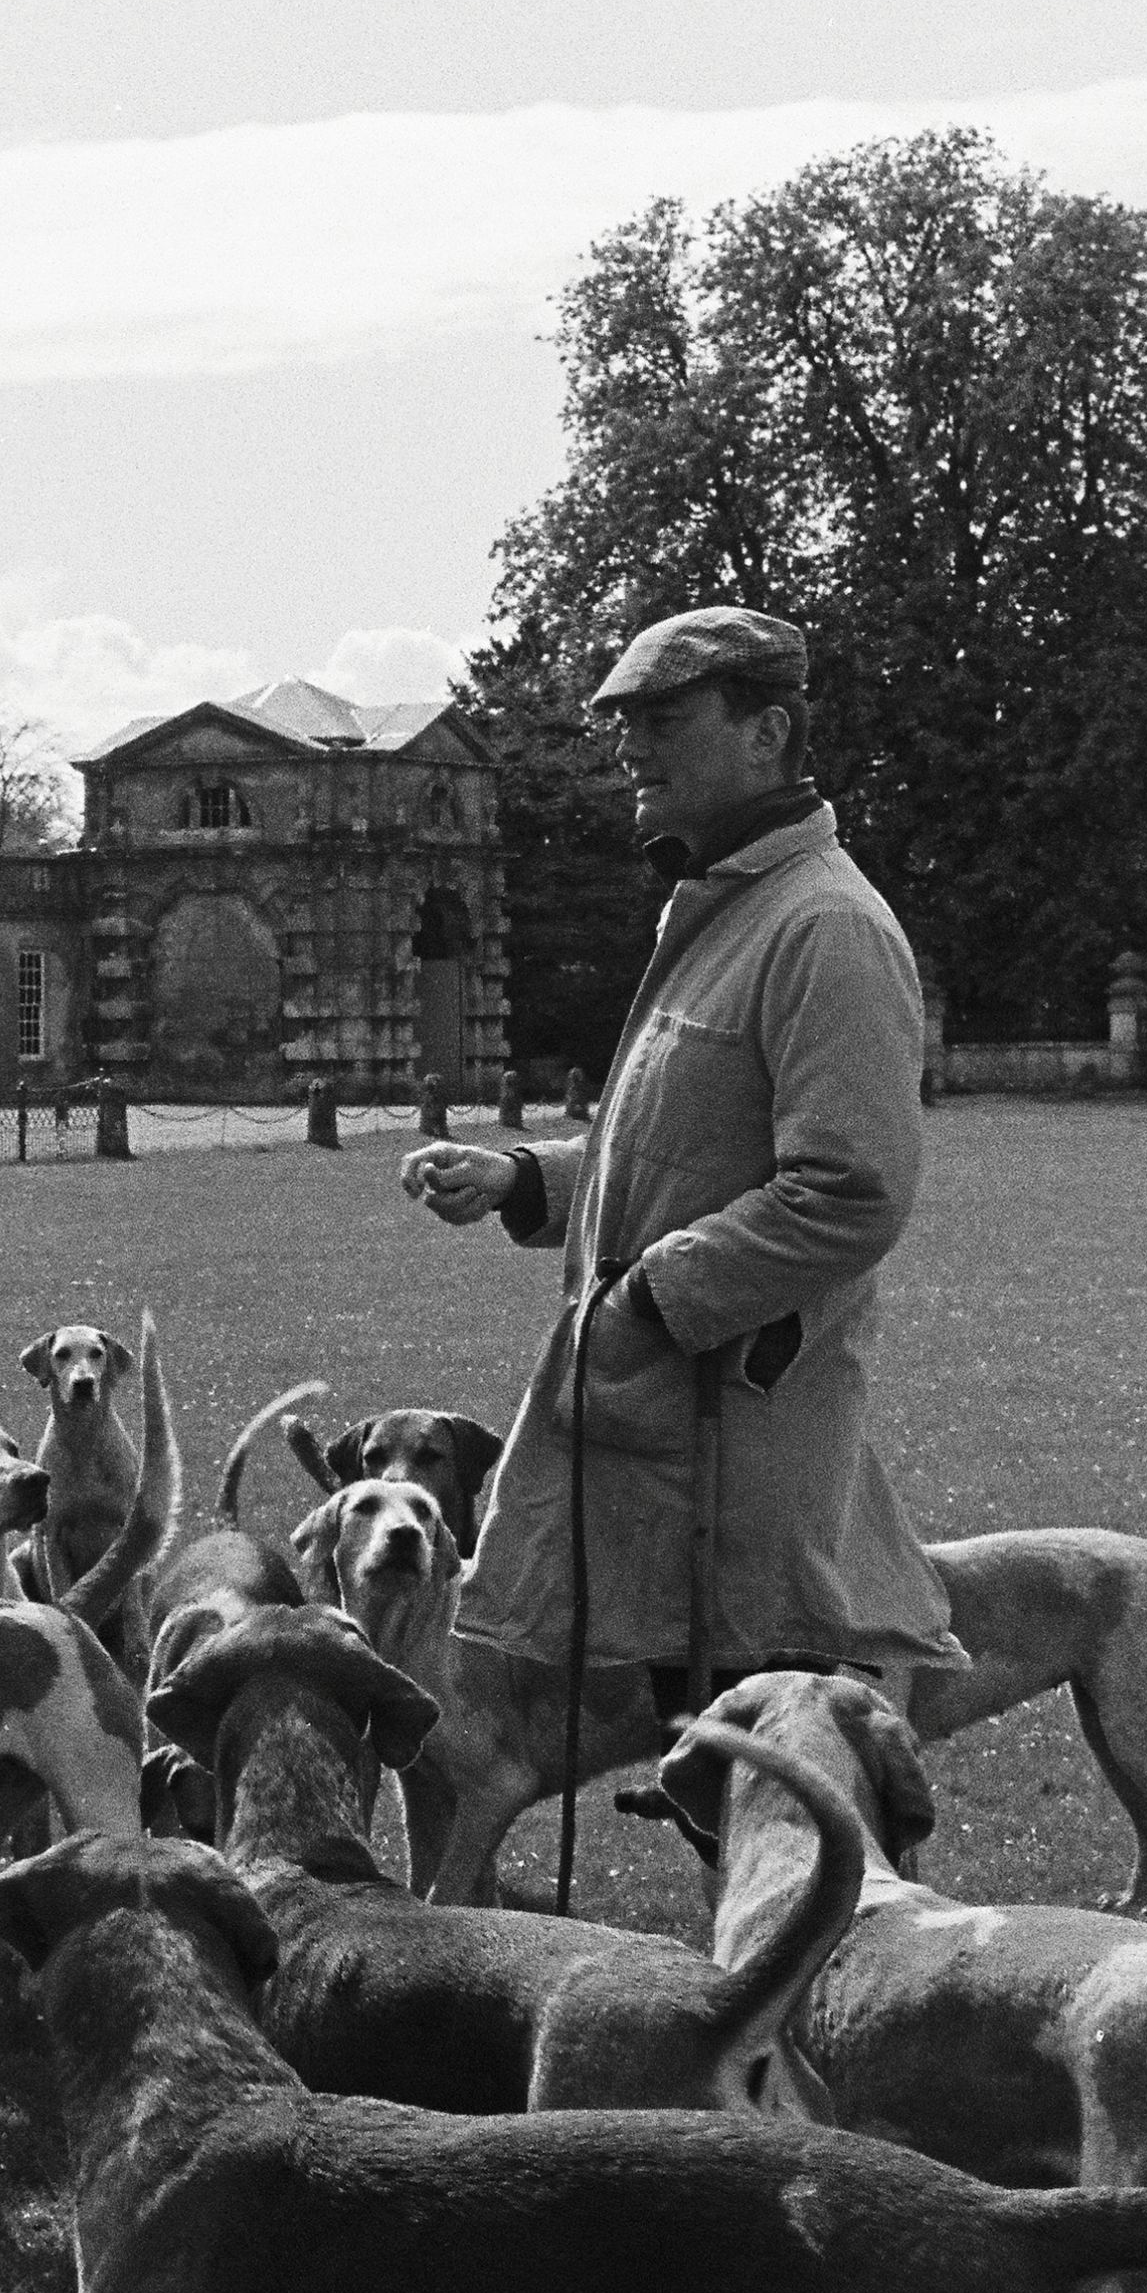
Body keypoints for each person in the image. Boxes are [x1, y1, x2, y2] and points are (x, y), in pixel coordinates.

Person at [399, 607, 958, 1717]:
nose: (627, 747)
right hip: (675, 1455)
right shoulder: (723, 909)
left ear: (767, 734)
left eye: (662, 716)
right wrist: (525, 1181)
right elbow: (673, 1153)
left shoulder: (822, 925)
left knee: (780, 1833)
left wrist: (654, 1296)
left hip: (740, 1466)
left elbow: (848, 1193)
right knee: (725, 1808)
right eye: (621, 722)